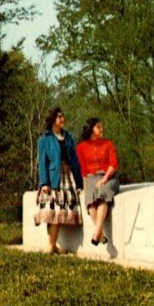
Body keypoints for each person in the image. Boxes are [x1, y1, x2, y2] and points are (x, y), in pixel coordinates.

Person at [35, 107, 83, 254]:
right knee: (52, 212)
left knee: (60, 212)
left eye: (63, 116)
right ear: (53, 120)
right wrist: (44, 183)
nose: (63, 119)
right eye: (60, 117)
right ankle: (51, 245)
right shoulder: (45, 140)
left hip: (68, 177)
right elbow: (42, 162)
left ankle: (52, 245)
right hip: (53, 178)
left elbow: (74, 160)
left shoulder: (68, 137)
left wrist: (79, 182)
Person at [76, 117, 120, 246]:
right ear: (91, 130)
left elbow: (114, 164)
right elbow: (83, 169)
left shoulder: (108, 143)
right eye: (98, 127)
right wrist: (86, 187)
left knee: (102, 195)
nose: (102, 129)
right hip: (91, 178)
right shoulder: (81, 147)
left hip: (109, 176)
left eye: (101, 126)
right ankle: (100, 234)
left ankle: (96, 234)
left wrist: (105, 178)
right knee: (90, 201)